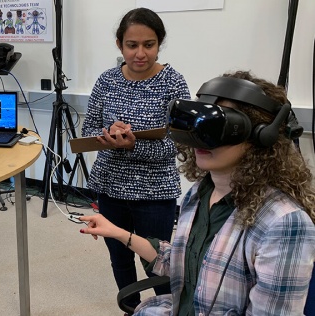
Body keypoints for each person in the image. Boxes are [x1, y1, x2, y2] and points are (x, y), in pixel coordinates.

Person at [79, 70, 315, 315]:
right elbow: (184, 263)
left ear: (261, 136)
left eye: (218, 128)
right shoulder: (199, 194)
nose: (201, 139)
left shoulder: (284, 223)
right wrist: (117, 232)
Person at [81, 7, 191, 309]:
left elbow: (180, 144)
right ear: (120, 45)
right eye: (132, 45)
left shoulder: (173, 82)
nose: (140, 53)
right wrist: (107, 133)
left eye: (149, 44)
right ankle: (131, 309)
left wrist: (133, 145)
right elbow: (88, 129)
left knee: (158, 261)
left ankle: (168, 310)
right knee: (119, 257)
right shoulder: (106, 80)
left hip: (154, 193)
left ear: (159, 44)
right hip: (109, 187)